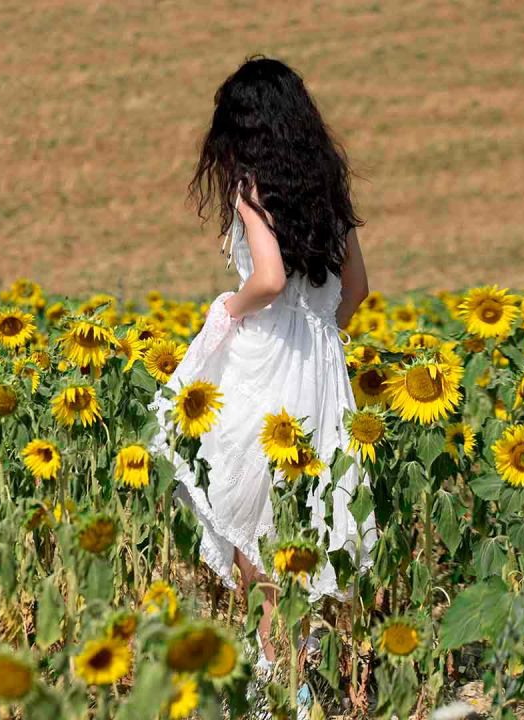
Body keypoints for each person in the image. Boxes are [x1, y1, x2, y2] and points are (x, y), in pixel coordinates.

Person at [146, 55, 379, 672]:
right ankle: (298, 680)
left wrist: (229, 306)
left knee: (254, 524)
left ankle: (275, 691)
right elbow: (356, 287)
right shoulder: (331, 187)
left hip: (264, 360)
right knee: (306, 525)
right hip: (320, 369)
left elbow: (270, 279)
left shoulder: (253, 188)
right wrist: (323, 339)